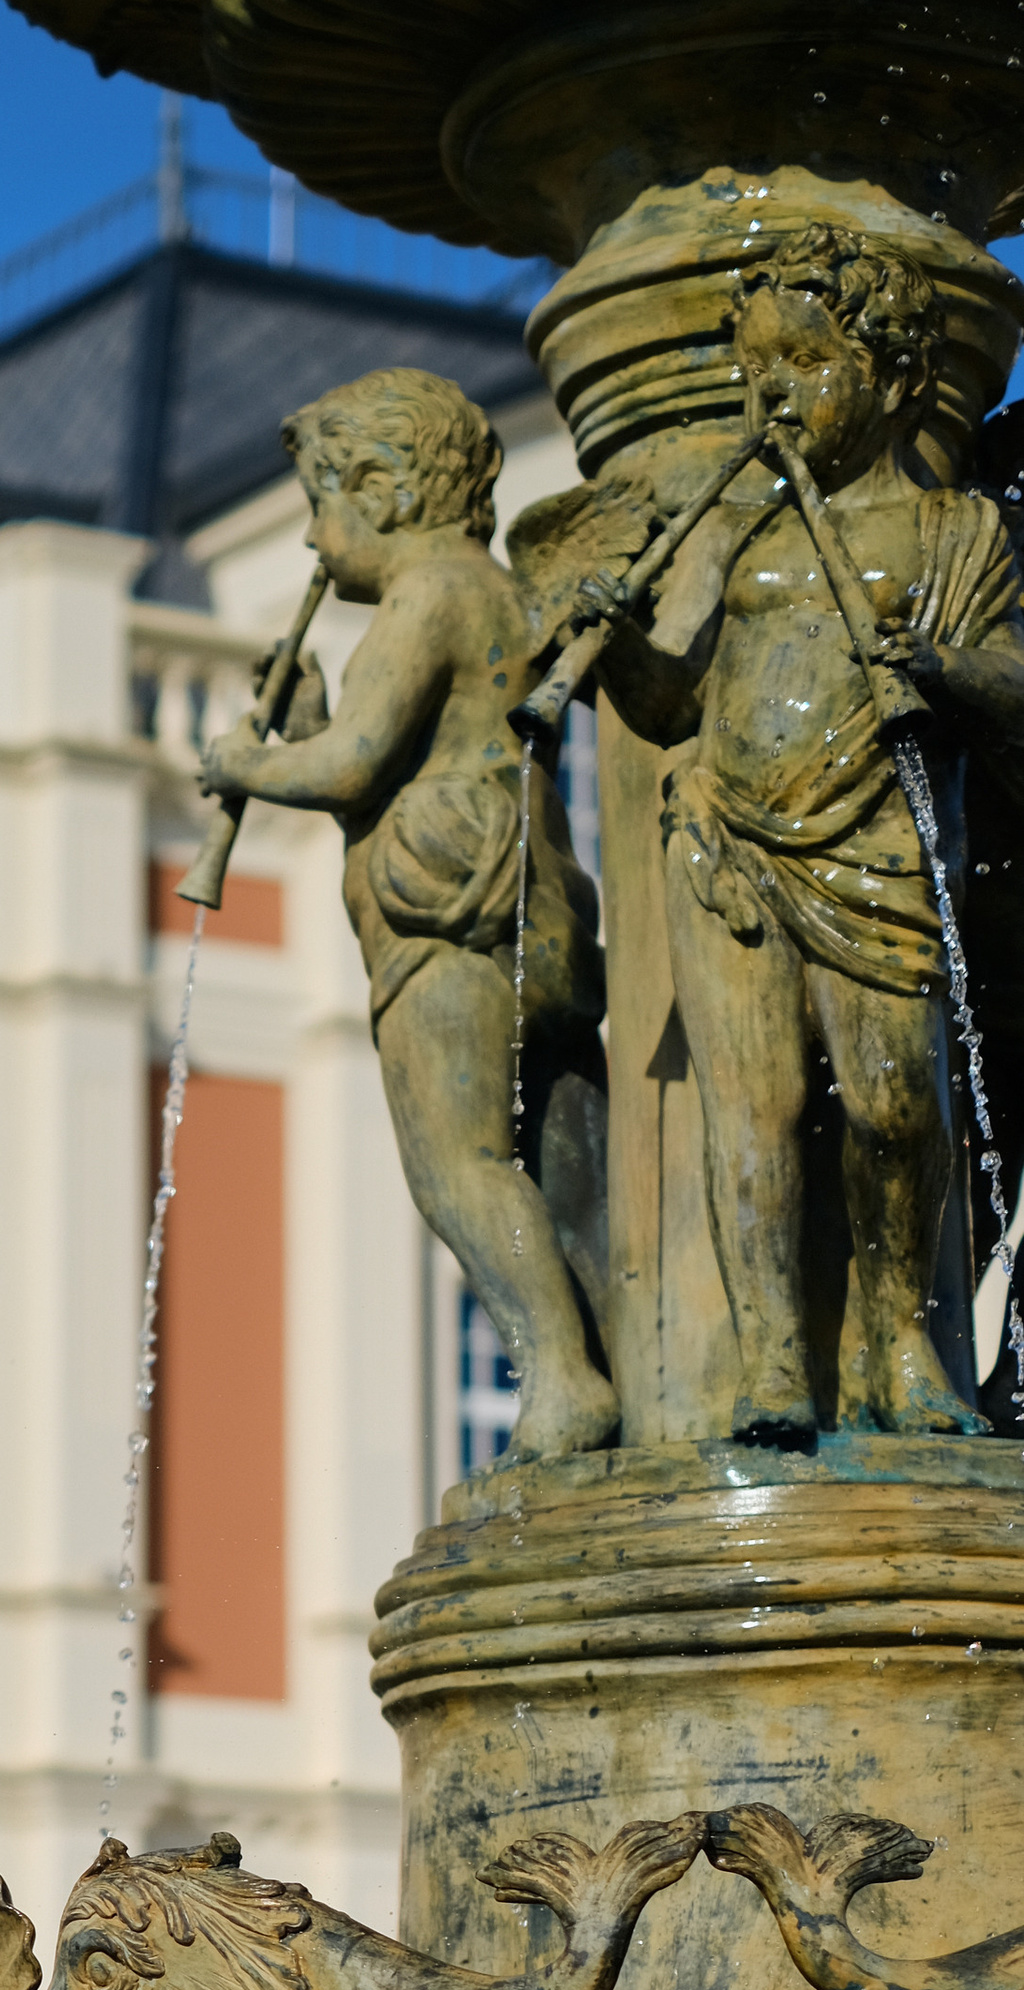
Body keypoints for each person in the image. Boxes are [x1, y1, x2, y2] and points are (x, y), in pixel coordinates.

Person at [594, 223, 1024, 1444]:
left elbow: (1016, 687)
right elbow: (675, 701)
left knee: (899, 1110)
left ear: (890, 377)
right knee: (756, 1109)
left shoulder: (957, 537)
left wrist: (944, 671)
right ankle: (772, 1361)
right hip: (728, 836)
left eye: (801, 358)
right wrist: (622, 645)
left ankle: (894, 1339)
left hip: (875, 831)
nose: (767, 389)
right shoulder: (746, 534)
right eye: (752, 364)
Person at [195, 368, 615, 1462]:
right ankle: (623, 1368)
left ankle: (564, 1383)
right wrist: (316, 716)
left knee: (457, 1169)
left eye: (318, 508)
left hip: (443, 916)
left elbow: (352, 770)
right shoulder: (500, 593)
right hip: (533, 906)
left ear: (379, 489)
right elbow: (403, 753)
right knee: (567, 1172)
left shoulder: (428, 593)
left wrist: (254, 757)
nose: (311, 545)